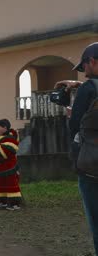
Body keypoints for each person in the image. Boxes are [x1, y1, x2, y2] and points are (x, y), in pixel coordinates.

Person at [55, 42, 98, 254]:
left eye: (84, 68)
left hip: (91, 166)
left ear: (92, 62)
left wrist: (71, 115)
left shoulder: (89, 89)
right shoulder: (89, 88)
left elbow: (75, 127)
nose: (84, 73)